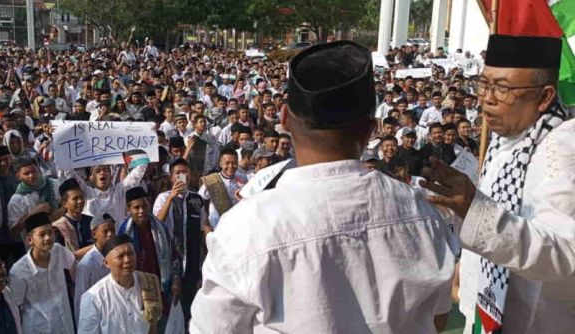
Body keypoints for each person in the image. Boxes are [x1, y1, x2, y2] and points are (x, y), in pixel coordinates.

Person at [190, 41, 456, 332]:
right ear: (371, 129)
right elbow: (438, 317)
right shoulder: (424, 214)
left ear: (284, 120)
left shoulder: (246, 228)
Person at [421, 32, 575, 333]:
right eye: (484, 84)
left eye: (502, 88)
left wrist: (475, 210)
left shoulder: (561, 148)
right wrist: (466, 267)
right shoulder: (509, 135)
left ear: (544, 97)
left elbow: (565, 253)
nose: (487, 98)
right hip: (486, 307)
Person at [118, 187, 181, 327]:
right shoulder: (123, 234)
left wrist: (176, 279)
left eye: (144, 206)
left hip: (162, 289)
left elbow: (174, 255)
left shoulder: (161, 229)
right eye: (136, 207)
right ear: (129, 209)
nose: (141, 211)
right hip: (137, 293)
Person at [152, 158, 204, 324]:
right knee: (169, 306)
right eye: (178, 173)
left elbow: (204, 228)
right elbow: (157, 223)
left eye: (185, 172)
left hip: (191, 261)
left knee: (189, 304)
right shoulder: (163, 197)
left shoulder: (197, 199)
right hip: (169, 260)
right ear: (171, 177)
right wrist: (171, 198)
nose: (182, 176)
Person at [77, 234, 162, 334]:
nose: (127, 260)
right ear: (106, 263)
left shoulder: (149, 283)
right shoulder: (94, 298)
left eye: (130, 253)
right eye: (120, 256)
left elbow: (153, 327)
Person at [9, 212, 76, 334]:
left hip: (64, 323)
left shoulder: (57, 250)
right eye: (42, 234)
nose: (48, 238)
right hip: (38, 328)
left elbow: (73, 261)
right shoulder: (19, 271)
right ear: (30, 240)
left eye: (50, 232)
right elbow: (16, 307)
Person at [73, 213, 115, 321]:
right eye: (105, 231)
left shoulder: (116, 256)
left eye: (112, 230)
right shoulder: (86, 264)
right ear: (94, 234)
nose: (110, 234)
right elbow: (80, 300)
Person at [198, 148, 245, 231]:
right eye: (227, 163)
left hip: (237, 224)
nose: (231, 166)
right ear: (220, 164)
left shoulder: (243, 178)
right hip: (217, 225)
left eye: (234, 163)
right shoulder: (211, 180)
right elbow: (200, 202)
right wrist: (205, 224)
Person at [51, 178, 93, 260]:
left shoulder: (91, 221)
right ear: (64, 203)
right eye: (75, 198)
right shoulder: (57, 228)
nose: (80, 201)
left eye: (81, 197)